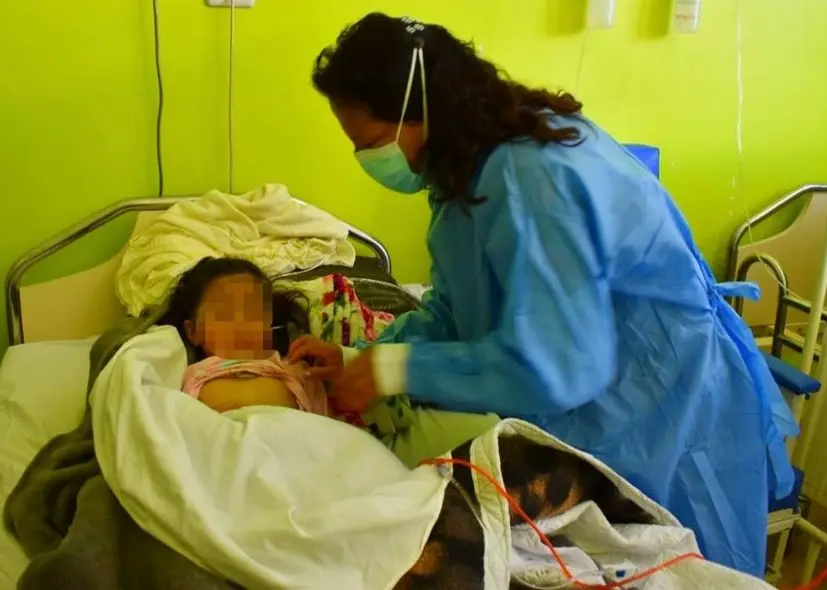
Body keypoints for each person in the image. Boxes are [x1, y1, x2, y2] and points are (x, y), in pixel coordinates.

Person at [293, 12, 800, 577]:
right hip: (603, 416)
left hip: (666, 414)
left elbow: (557, 363)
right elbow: (458, 307)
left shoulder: (531, 174)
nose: (369, 160)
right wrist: (364, 359)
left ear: (421, 107)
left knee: (683, 567)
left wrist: (395, 369)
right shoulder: (464, 173)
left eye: (372, 142)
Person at [160, 257, 328, 416]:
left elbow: (329, 429)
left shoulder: (296, 370)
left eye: (253, 313)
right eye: (224, 315)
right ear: (194, 332)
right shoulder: (181, 376)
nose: (242, 324)